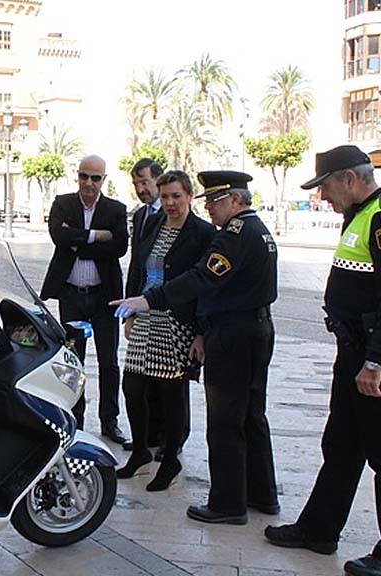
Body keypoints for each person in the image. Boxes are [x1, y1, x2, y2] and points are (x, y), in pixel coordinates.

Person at [114, 170, 279, 525]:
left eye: (214, 201)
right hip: (253, 328)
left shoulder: (234, 235)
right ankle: (261, 494)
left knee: (225, 421)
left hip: (233, 333)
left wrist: (150, 299)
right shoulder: (255, 230)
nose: (211, 209)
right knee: (251, 416)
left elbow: (203, 277)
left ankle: (228, 504)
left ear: (235, 200)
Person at [265, 146, 381, 576]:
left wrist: (375, 362)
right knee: (341, 445)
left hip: (370, 359)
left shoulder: (379, 217)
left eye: (326, 186)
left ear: (349, 179)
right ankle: (318, 530)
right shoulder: (359, 214)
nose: (324, 197)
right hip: (351, 352)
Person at [116, 170, 215, 491]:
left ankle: (170, 456)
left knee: (171, 392)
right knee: (132, 385)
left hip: (177, 320)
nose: (170, 202)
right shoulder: (152, 224)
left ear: (189, 196)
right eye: (165, 196)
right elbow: (139, 268)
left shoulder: (202, 232)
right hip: (145, 314)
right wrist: (129, 312)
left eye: (176, 196)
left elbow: (205, 286)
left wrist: (201, 331)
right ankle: (141, 449)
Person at [40, 154, 129, 442]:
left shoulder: (116, 209)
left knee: (109, 362)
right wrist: (96, 236)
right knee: (73, 362)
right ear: (77, 176)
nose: (88, 183)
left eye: (95, 177)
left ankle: (109, 420)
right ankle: (74, 418)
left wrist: (78, 240)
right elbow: (58, 237)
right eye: (84, 176)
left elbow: (119, 247)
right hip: (71, 296)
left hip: (104, 298)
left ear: (104, 180)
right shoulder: (62, 203)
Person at [125, 158, 177, 458]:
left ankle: (172, 440)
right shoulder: (141, 215)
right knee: (141, 380)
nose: (141, 189)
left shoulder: (174, 216)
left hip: (166, 307)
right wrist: (130, 309)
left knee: (169, 382)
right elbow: (137, 264)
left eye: (145, 182)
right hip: (141, 305)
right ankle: (148, 437)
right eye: (136, 183)